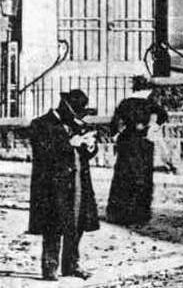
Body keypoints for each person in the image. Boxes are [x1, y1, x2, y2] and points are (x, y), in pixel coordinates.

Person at [29, 90, 101, 281]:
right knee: (53, 225)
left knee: (77, 224)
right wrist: (69, 144)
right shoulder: (41, 124)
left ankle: (71, 265)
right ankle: (50, 268)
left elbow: (85, 153)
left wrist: (90, 146)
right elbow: (43, 153)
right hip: (53, 187)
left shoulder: (75, 125)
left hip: (78, 182)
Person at [106, 76, 169, 225]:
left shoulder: (125, 103)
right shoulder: (149, 103)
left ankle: (119, 214)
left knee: (123, 177)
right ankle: (139, 215)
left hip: (127, 142)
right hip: (143, 143)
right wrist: (154, 127)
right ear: (146, 89)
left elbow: (115, 123)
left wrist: (116, 135)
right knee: (142, 178)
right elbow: (163, 115)